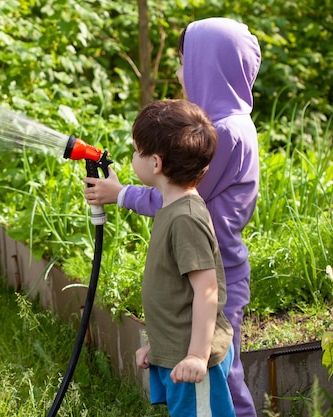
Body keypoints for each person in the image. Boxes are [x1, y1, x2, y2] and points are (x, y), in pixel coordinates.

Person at [84, 17, 260, 416]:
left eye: (183, 62)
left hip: (216, 272)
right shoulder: (225, 126)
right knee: (214, 381)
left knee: (221, 376)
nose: (179, 72)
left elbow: (175, 194)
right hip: (198, 266)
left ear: (207, 66)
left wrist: (122, 194)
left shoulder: (226, 133)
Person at [125, 99, 234, 416]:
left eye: (136, 151)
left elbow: (206, 290)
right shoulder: (171, 206)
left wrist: (197, 356)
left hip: (194, 359)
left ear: (155, 163)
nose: (133, 157)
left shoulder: (185, 217)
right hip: (176, 352)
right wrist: (158, 347)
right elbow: (177, 292)